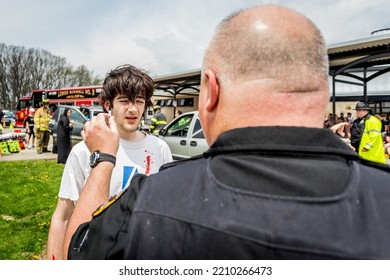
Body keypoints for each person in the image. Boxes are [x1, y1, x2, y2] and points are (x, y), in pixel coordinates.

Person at [65, 5, 390, 260]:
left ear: (210, 91)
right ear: (322, 90)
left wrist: (104, 158)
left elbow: (79, 250)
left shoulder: (151, 199)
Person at [47, 64, 173, 260]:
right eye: (124, 101)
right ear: (108, 105)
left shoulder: (160, 148)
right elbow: (62, 217)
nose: (132, 109)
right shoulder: (83, 150)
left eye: (139, 101)